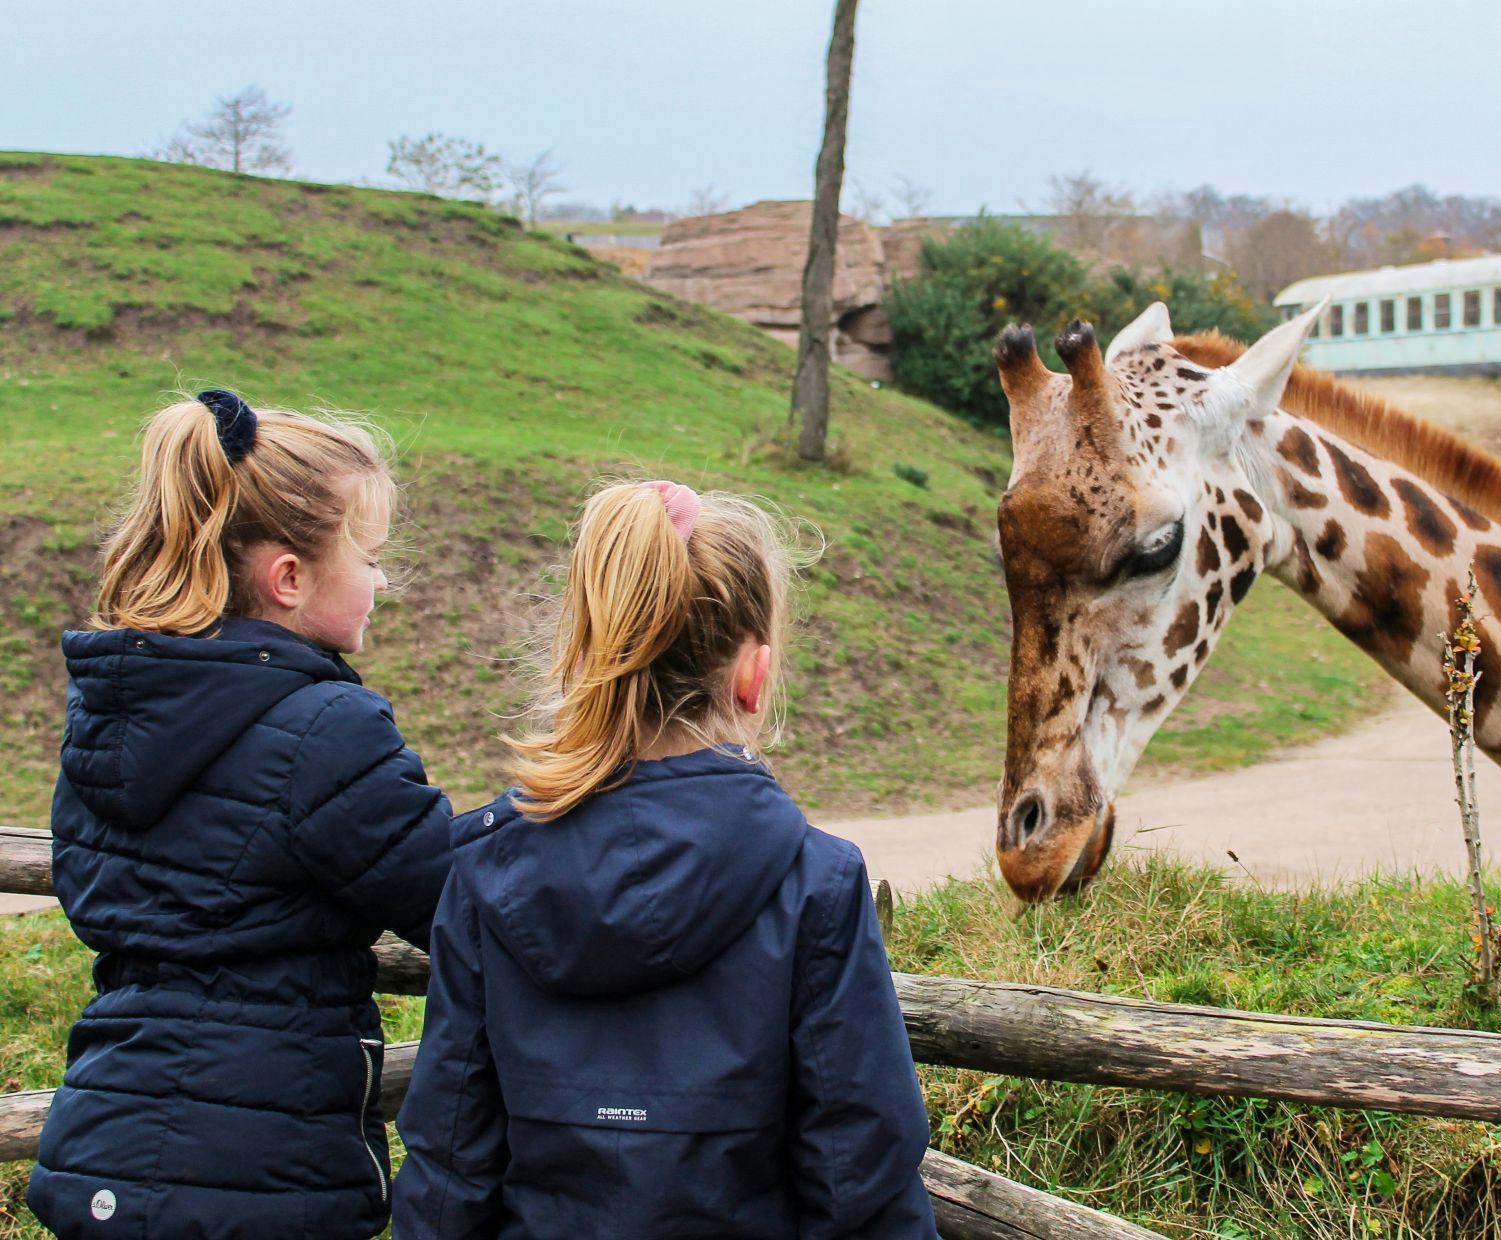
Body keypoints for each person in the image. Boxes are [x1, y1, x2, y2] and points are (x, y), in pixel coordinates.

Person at [393, 480, 936, 1238]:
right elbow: (861, 1179)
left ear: (584, 652)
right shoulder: (817, 883)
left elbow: (451, 1165)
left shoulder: (486, 872)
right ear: (755, 676)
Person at [28, 391, 453, 1239]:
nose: (380, 580)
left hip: (103, 1144)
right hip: (256, 1175)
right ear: (288, 578)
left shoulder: (115, 712)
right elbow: (461, 902)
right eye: (367, 556)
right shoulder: (324, 731)